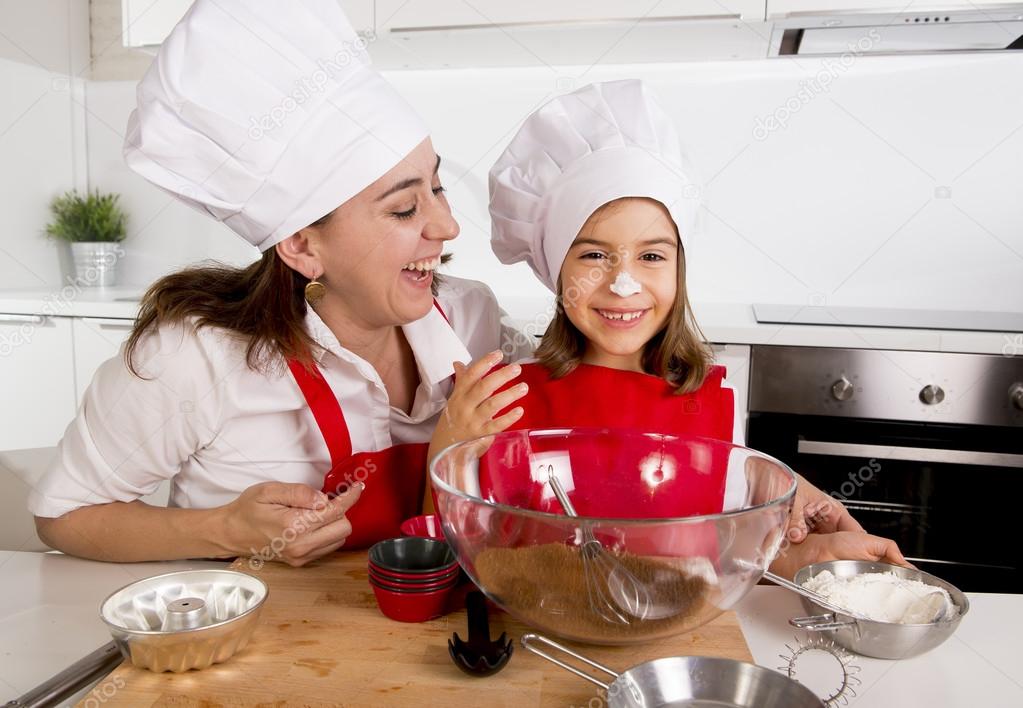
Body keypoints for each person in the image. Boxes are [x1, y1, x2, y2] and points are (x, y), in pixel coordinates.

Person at [28, 0, 530, 565]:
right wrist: (225, 529)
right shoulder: (195, 358)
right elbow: (64, 517)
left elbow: (577, 391)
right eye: (402, 210)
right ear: (301, 245)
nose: (448, 226)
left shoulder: (472, 319)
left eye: (437, 189)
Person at [428, 80, 909, 578]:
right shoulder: (506, 404)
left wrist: (807, 557)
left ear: (680, 267)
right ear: (556, 268)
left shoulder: (711, 406)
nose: (622, 283)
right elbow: (441, 547)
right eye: (594, 255)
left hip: (676, 649)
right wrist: (447, 441)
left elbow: (726, 562)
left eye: (652, 255)